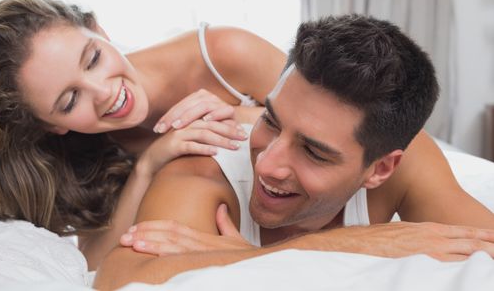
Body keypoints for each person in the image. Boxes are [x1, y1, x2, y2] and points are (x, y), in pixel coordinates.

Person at [93, 15, 494, 289]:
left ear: (381, 168)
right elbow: (117, 278)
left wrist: (245, 257)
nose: (268, 163)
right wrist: (336, 246)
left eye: (314, 152)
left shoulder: (409, 160)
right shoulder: (205, 166)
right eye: (271, 120)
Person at [0, 0, 286, 269]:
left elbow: (329, 124)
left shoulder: (225, 52)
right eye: (70, 100)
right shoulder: (85, 154)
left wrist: (237, 114)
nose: (103, 92)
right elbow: (92, 265)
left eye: (93, 59)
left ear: (98, 29)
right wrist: (147, 166)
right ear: (53, 126)